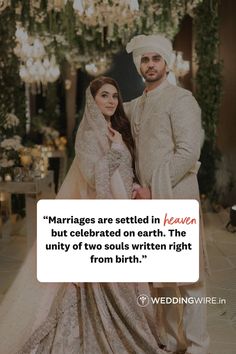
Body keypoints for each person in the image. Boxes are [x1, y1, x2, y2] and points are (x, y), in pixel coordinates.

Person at [0, 77, 170, 354]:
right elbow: (95, 178)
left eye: (115, 96)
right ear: (93, 100)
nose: (112, 101)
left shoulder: (114, 129)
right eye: (105, 95)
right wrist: (116, 152)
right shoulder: (89, 135)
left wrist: (135, 186)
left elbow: (123, 173)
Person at [125, 34, 210, 354]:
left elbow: (188, 152)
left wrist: (153, 188)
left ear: (166, 63)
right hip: (151, 201)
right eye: (144, 60)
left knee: (189, 280)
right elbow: (108, 110)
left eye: (155, 59)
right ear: (139, 65)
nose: (150, 65)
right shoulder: (139, 105)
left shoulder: (181, 100)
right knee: (162, 281)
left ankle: (199, 345)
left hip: (176, 195)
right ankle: (173, 342)